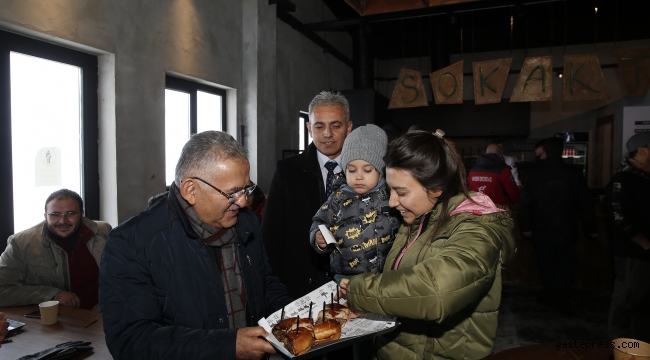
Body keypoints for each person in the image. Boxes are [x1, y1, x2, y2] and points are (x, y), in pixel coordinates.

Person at [99, 131, 292, 359]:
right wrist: (228, 346)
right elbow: (132, 341)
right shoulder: (132, 245)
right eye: (232, 193)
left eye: (246, 189)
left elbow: (265, 282)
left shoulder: (246, 222)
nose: (243, 201)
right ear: (191, 190)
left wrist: (292, 316)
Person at [339, 130, 516, 360]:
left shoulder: (478, 229)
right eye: (390, 190)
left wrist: (359, 291)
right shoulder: (421, 215)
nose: (392, 202)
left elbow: (437, 290)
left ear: (436, 188)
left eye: (401, 192)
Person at [262, 91, 353, 299]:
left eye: (336, 125)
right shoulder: (287, 171)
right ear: (309, 128)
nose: (327, 133)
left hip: (353, 287)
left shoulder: (367, 172)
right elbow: (271, 238)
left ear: (348, 128)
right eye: (319, 126)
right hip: (301, 290)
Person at [310, 124, 399, 285]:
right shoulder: (337, 198)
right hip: (345, 277)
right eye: (351, 170)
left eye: (367, 170)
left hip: (386, 277)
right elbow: (319, 221)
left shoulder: (391, 195)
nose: (359, 176)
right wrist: (318, 237)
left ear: (381, 170)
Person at [519, 136, 598, 314]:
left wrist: (526, 226)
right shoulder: (574, 172)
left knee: (546, 265)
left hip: (541, 228)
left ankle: (550, 296)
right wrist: (591, 228)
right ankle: (562, 298)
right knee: (566, 266)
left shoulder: (534, 173)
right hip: (566, 228)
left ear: (544, 152)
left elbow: (525, 203)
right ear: (562, 151)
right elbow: (586, 203)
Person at [0, 189, 111, 310]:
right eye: (55, 214)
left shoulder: (102, 232)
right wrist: (51, 295)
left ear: (82, 214)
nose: (63, 221)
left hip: (103, 316)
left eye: (71, 213)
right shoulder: (21, 243)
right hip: (54, 321)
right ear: (45, 216)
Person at [606, 132, 650, 343]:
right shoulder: (624, 178)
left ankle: (638, 345)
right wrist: (643, 242)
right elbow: (619, 218)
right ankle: (620, 346)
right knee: (627, 297)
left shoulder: (641, 177)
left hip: (641, 251)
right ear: (642, 150)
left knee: (640, 300)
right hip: (632, 251)